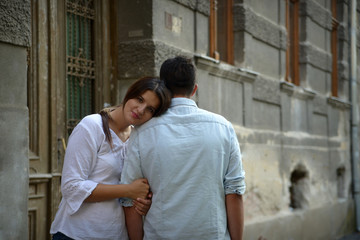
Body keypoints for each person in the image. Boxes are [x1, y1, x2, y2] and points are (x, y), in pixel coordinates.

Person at [121, 56, 246, 240]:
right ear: (194, 89)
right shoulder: (223, 127)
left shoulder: (142, 132)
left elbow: (129, 199)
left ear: (162, 87)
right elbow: (234, 192)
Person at [50, 76, 172, 240]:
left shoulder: (137, 139)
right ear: (130, 93)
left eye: (150, 109)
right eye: (139, 99)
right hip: (77, 233)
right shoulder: (92, 126)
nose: (141, 109)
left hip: (115, 234)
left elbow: (136, 191)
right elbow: (71, 187)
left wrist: (142, 203)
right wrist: (128, 190)